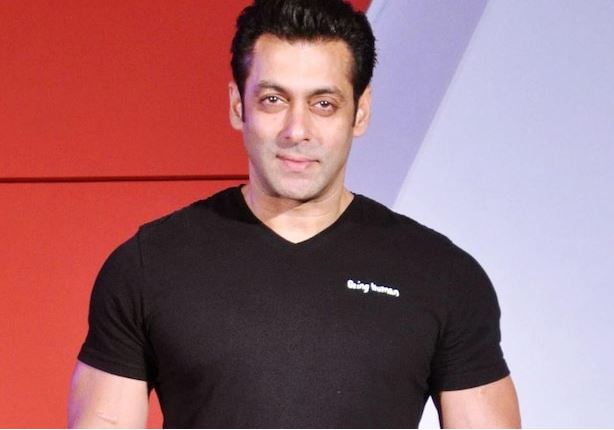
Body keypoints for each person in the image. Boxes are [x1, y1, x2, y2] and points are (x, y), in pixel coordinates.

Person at [68, 0, 521, 427]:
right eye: (273, 99)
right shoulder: (149, 266)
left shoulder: (442, 276)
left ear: (360, 112)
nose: (296, 130)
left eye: (323, 104)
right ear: (237, 106)